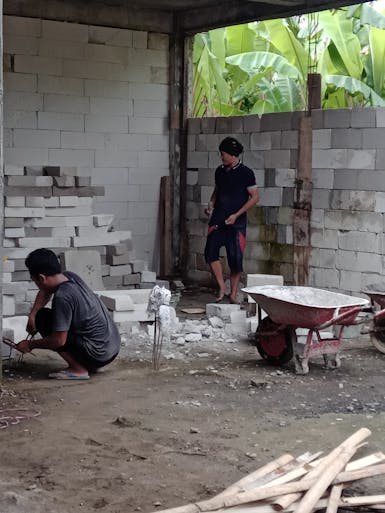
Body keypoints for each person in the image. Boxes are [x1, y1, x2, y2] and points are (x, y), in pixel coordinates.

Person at [16, 248, 121, 380]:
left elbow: (58, 341)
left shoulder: (63, 296)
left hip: (99, 354)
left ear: (41, 278)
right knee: (41, 315)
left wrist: (30, 345)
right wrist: (32, 314)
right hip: (111, 347)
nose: (37, 285)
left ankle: (78, 369)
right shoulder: (69, 276)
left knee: (43, 319)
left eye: (36, 281)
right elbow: (45, 291)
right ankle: (85, 362)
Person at [204, 137, 259, 304]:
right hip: (218, 219)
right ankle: (222, 287)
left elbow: (255, 197)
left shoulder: (246, 173)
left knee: (235, 259)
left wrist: (236, 215)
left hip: (237, 223)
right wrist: (211, 204)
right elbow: (217, 191)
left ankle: (233, 294)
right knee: (210, 252)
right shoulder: (219, 171)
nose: (221, 157)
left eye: (223, 154)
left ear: (233, 155)